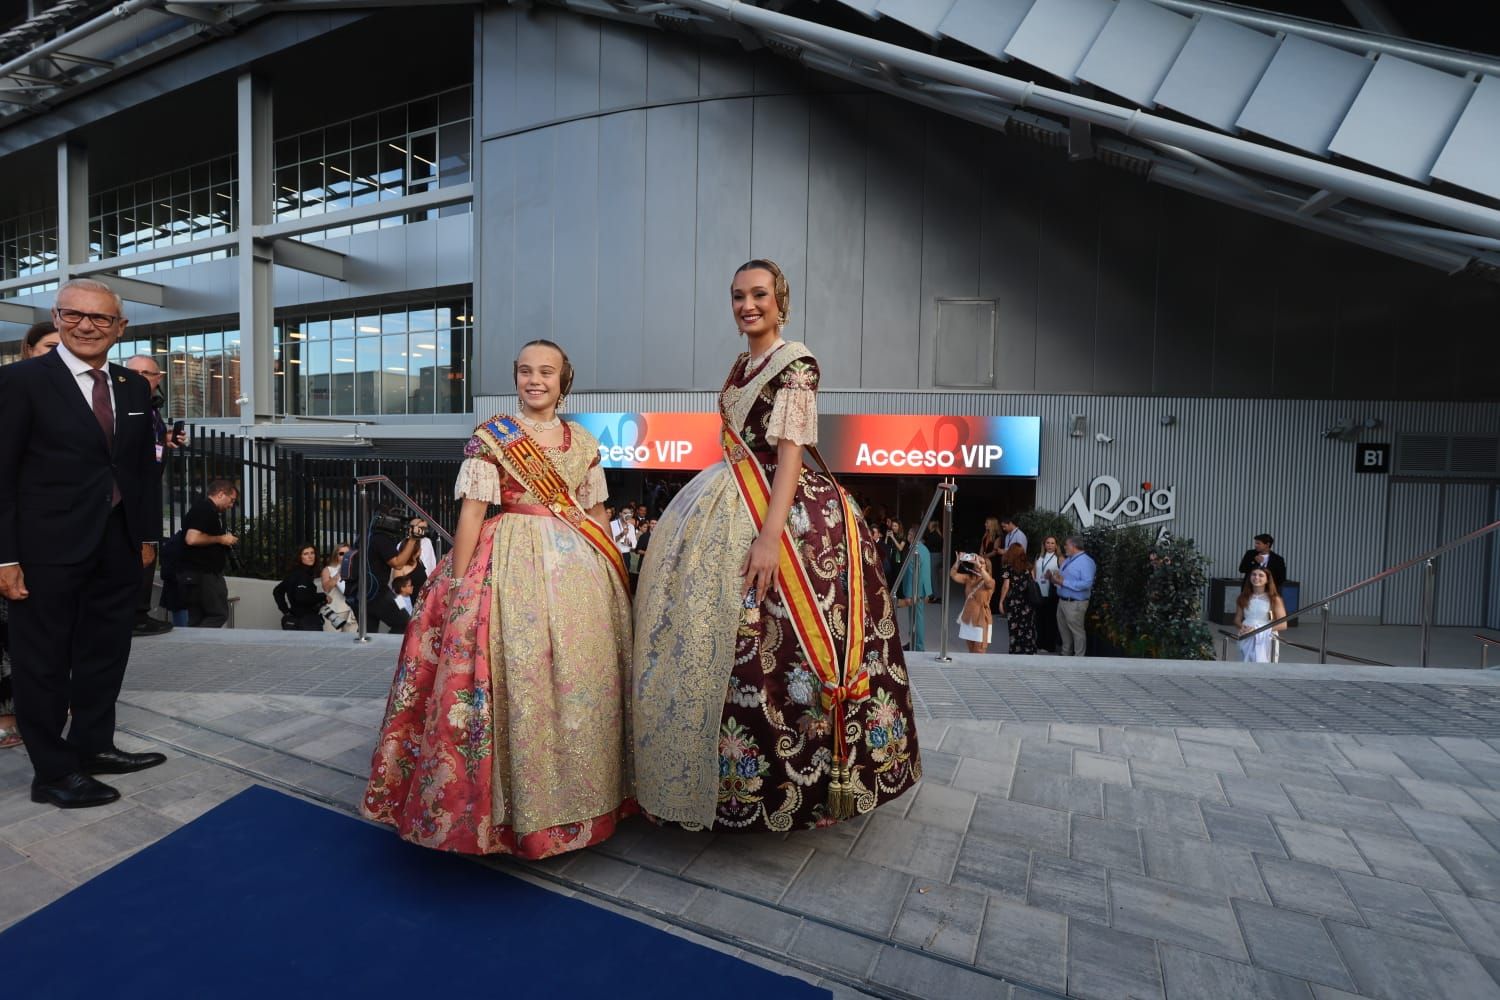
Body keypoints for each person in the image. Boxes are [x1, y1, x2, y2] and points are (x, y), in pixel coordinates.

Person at [633, 258, 920, 832]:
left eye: (759, 294)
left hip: (780, 509)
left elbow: (790, 450)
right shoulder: (743, 364)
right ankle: (719, 783)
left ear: (780, 300)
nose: (747, 305)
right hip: (728, 491)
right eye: (738, 296)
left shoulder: (796, 364)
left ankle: (807, 784)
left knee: (787, 636)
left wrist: (770, 535)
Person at [364, 339, 633, 858]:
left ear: (563, 379)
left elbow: (596, 512)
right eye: (527, 372)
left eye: (547, 372)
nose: (536, 380)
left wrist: (611, 571)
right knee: (519, 675)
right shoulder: (493, 437)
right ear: (515, 378)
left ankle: (581, 800)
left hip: (576, 569)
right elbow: (471, 513)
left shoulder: (581, 441)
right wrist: (461, 584)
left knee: (576, 679)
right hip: (506, 562)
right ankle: (505, 814)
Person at [0, 279, 166, 808]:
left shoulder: (133, 386)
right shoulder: (22, 381)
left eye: (100, 318)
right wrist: (4, 555)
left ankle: (93, 747)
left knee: (105, 654)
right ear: (57, 315)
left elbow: (141, 470)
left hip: (116, 546)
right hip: (43, 550)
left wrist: (144, 536)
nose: (86, 326)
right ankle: (51, 773)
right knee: (42, 661)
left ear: (120, 328)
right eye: (74, 315)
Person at [124, 353, 182, 637]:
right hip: (130, 496)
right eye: (134, 372)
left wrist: (166, 438)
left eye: (147, 374)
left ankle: (140, 612)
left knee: (149, 552)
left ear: (158, 379)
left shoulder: (152, 410)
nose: (140, 378)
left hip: (148, 492)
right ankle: (134, 615)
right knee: (140, 553)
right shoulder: (121, 406)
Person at [178, 479, 238, 628]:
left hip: (196, 572)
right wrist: (221, 539)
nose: (231, 506)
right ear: (220, 494)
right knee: (218, 614)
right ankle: (198, 645)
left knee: (197, 616)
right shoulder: (205, 509)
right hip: (205, 574)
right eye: (231, 500)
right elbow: (192, 539)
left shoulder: (203, 509)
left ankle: (193, 647)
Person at [1048, 536, 1097, 657]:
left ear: (1074, 546)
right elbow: (1064, 578)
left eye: (1066, 545)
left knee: (1077, 631)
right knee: (1064, 631)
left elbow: (1087, 583)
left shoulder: (1086, 562)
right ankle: (1066, 654)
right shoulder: (1069, 559)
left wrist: (1063, 582)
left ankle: (1079, 657)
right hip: (1063, 601)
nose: (1064, 547)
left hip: (1075, 603)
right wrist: (1054, 579)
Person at [1235, 567, 1286, 662]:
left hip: (1266, 638)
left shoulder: (1275, 599)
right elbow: (1237, 619)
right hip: (1246, 635)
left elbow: (1283, 625)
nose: (1256, 577)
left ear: (1267, 580)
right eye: (1254, 574)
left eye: (1261, 575)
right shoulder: (1243, 597)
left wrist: (1258, 630)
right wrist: (1242, 627)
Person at [894, 525, 932, 651]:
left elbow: (911, 573)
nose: (908, 536)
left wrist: (909, 594)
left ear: (914, 536)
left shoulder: (914, 550)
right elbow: (927, 571)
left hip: (916, 591)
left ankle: (917, 646)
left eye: (910, 534)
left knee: (916, 620)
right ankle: (914, 643)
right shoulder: (924, 549)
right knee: (917, 619)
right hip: (922, 589)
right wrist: (928, 591)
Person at [273, 543, 326, 631]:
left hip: (296, 619)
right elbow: (302, 597)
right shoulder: (301, 574)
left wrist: (286, 612)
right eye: (306, 554)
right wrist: (323, 596)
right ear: (300, 557)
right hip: (307, 622)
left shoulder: (295, 573)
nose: (310, 556)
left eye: (312, 553)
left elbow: (277, 591)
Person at [998, 543, 1037, 655]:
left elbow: (1006, 586)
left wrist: (1001, 601)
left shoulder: (1008, 567)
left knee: (1014, 626)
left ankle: (1015, 649)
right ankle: (1029, 649)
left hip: (1014, 601)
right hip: (1028, 601)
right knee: (1028, 626)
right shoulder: (1029, 567)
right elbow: (1033, 581)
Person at [952, 553, 995, 653]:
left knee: (979, 652)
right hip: (968, 618)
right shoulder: (969, 578)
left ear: (987, 567)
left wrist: (980, 567)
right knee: (971, 652)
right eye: (976, 561)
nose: (977, 563)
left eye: (981, 562)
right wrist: (958, 561)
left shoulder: (990, 581)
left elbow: (989, 582)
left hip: (981, 620)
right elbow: (953, 575)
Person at [1033, 536, 1062, 652]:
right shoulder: (1039, 557)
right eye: (1048, 543)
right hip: (1039, 591)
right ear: (1044, 545)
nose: (1050, 545)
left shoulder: (1059, 558)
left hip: (1051, 592)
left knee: (1050, 620)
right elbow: (1034, 571)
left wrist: (1053, 576)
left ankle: (1049, 645)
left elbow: (1062, 574)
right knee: (1039, 619)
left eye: (1052, 543)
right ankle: (1039, 643)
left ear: (1056, 545)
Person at [319, 546, 358, 633]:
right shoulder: (328, 569)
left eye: (347, 554)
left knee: (350, 640)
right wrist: (338, 574)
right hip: (335, 611)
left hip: (352, 610)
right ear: (336, 555)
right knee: (331, 639)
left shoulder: (356, 568)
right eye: (341, 554)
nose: (344, 556)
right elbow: (326, 588)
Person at [923, 518, 943, 603]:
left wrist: (924, 542)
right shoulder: (939, 534)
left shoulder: (932, 535)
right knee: (935, 577)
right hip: (939, 556)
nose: (928, 525)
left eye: (929, 523)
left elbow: (928, 546)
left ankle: (936, 596)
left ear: (932, 525)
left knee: (933, 578)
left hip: (933, 556)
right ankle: (935, 595)